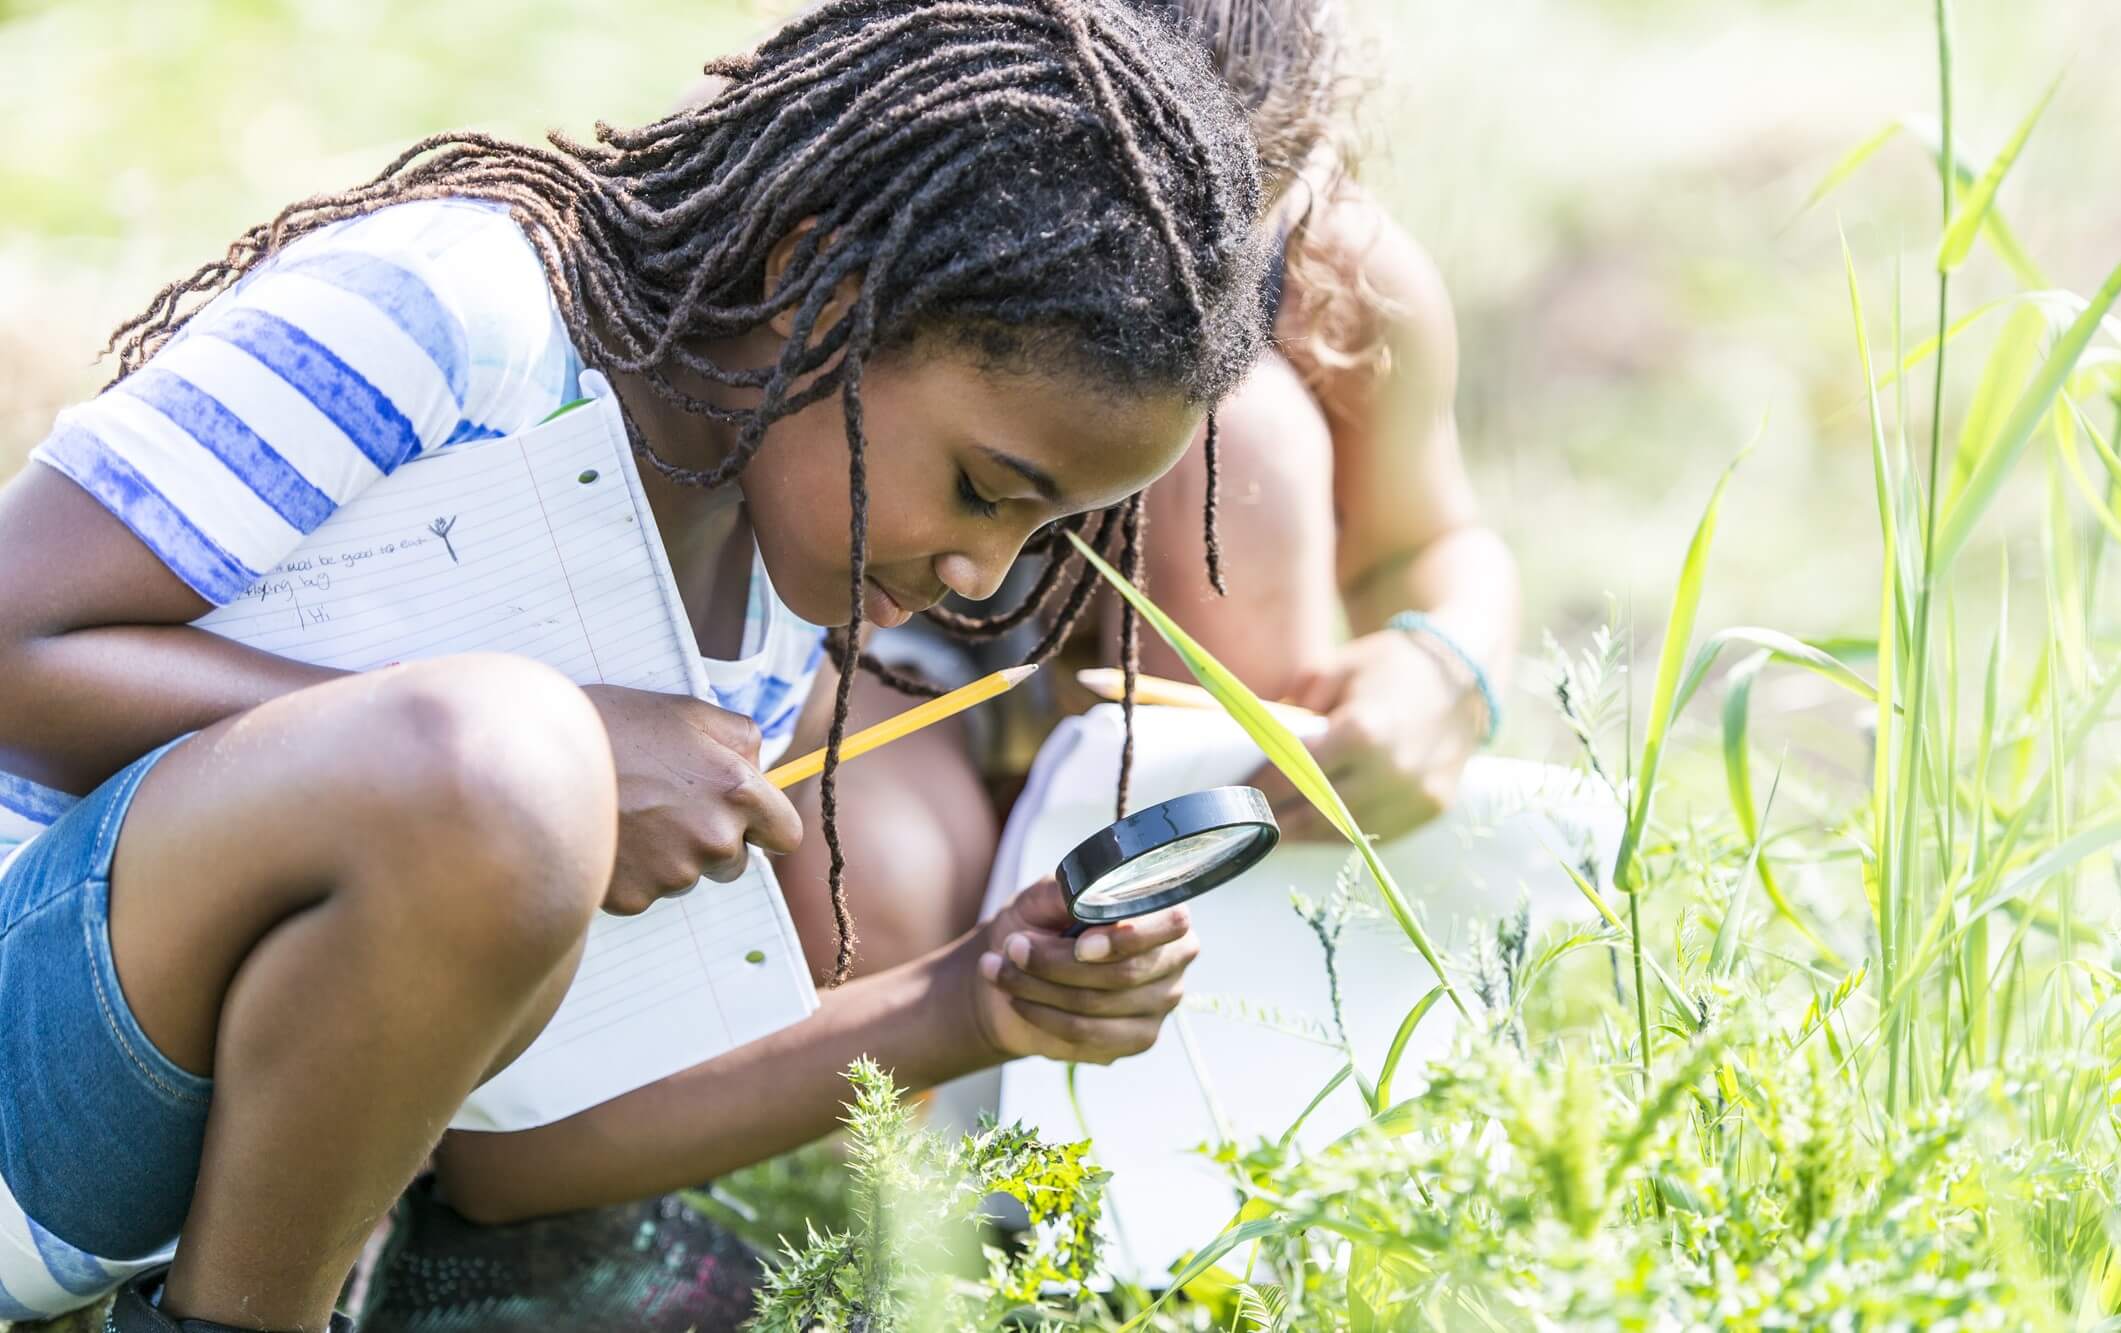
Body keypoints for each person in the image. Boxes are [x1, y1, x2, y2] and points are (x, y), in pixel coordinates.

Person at [0, 2, 1267, 1328]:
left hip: (101, 1210)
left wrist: (974, 999)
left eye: (1041, 531)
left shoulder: (768, 611)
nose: (983, 579)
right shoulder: (458, 309)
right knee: (503, 763)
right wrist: (554, 762)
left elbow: (504, 1154)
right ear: (824, 289)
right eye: (980, 488)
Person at [779, 0, 1522, 980]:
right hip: (868, 639)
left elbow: (1423, 542)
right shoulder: (845, 147)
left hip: (1166, 669)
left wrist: (1447, 669)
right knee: (867, 889)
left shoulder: (1340, 275)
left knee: (1245, 444)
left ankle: (1215, 972)